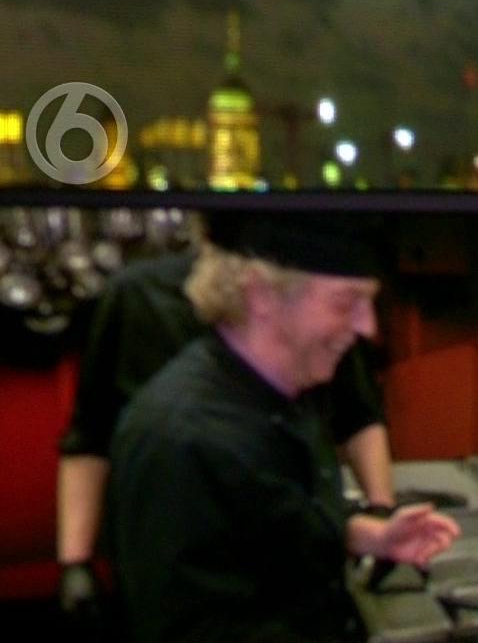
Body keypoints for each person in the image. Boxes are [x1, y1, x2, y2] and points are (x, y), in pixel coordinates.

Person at [107, 215, 459, 643]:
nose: (368, 328)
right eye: (346, 302)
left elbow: (264, 524)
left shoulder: (289, 389)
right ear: (262, 295)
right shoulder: (179, 436)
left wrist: (368, 535)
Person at [55, 222, 396, 616]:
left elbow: (357, 415)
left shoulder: (316, 300)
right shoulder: (136, 299)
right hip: (175, 549)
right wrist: (75, 562)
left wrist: (379, 514)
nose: (364, 325)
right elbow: (90, 435)